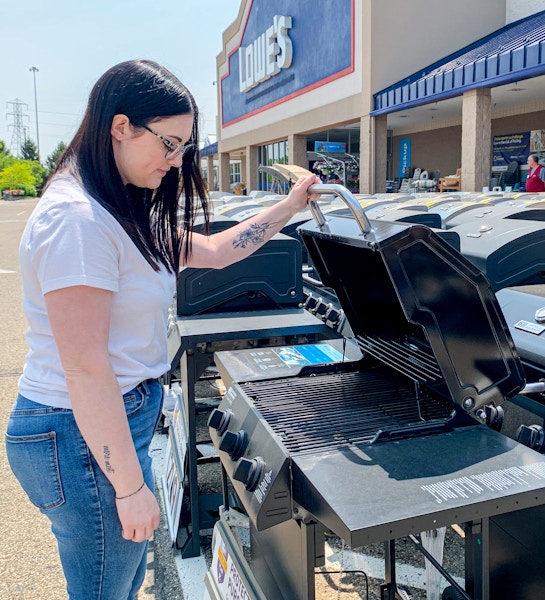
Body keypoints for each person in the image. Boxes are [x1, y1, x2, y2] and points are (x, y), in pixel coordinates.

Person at [4, 59, 320, 600]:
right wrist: (129, 488)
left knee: (119, 582)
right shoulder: (77, 221)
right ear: (120, 127)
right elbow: (85, 367)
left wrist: (290, 207)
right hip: (78, 434)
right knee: (107, 589)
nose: (176, 163)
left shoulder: (115, 210)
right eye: (168, 144)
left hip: (100, 427)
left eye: (184, 149)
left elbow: (218, 253)